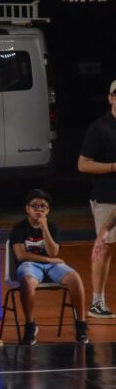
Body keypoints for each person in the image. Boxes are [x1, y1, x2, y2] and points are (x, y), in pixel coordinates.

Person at [10, 189, 88, 345]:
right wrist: (46, 259)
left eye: (43, 207)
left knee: (75, 279)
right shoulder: (19, 228)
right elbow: (21, 255)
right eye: (35, 206)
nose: (39, 209)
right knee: (27, 282)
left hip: (52, 265)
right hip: (29, 265)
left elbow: (53, 252)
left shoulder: (52, 227)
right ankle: (31, 326)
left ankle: (81, 324)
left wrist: (44, 228)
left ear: (48, 210)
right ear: (27, 208)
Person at [78, 79, 116, 319]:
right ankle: (97, 302)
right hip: (107, 199)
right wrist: (114, 166)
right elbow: (83, 165)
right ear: (111, 98)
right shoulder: (100, 128)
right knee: (106, 247)